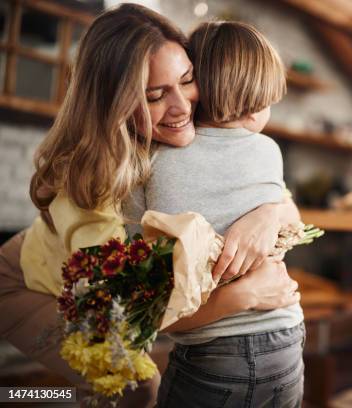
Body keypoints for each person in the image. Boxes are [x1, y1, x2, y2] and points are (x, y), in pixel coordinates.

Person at [0, 4, 300, 407]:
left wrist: (269, 213)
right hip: (19, 282)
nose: (182, 106)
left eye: (188, 80)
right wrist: (242, 296)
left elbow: (282, 203)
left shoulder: (168, 143)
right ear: (116, 105)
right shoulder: (96, 187)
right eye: (155, 95)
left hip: (53, 254)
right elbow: (124, 316)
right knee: (134, 385)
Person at [123, 21, 304, 408]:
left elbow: (146, 291)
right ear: (255, 108)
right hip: (284, 335)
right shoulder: (268, 152)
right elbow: (294, 222)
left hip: (209, 352)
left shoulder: (149, 161)